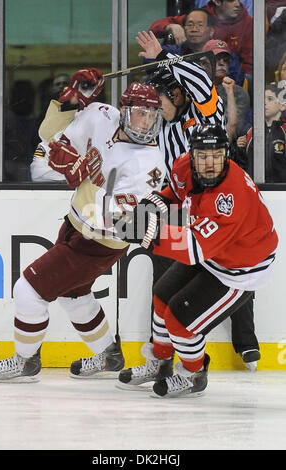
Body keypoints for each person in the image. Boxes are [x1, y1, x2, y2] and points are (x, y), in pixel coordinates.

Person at [0, 68, 166, 383]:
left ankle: (24, 361)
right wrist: (71, 100)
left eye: (151, 115)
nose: (146, 122)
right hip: (73, 223)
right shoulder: (102, 116)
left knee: (27, 290)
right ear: (124, 112)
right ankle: (109, 355)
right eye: (139, 113)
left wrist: (81, 170)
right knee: (74, 296)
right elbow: (48, 135)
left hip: (99, 241)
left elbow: (123, 221)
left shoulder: (149, 165)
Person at [115, 123, 278, 398]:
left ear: (226, 154)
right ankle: (160, 362)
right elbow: (173, 196)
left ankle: (193, 374)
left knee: (180, 320)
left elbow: (193, 250)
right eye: (202, 155)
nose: (210, 162)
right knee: (161, 297)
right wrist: (149, 206)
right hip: (214, 251)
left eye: (216, 154)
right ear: (192, 155)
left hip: (241, 268)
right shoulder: (183, 167)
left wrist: (146, 231)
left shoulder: (231, 196)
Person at [149, 0, 253, 78]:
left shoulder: (247, 23)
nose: (238, 4)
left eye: (200, 25)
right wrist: (170, 26)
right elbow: (154, 28)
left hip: (226, 76)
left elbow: (248, 65)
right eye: (231, 0)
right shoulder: (200, 16)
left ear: (211, 31)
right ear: (217, 1)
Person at [237, 83, 286, 183]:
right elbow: (242, 163)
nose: (264, 102)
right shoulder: (250, 131)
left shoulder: (284, 130)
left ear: (282, 105)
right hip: (255, 189)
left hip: (282, 190)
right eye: (262, 99)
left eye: (270, 99)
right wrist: (239, 149)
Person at [202, 39, 250, 139]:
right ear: (203, 64)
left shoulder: (239, 93)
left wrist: (230, 93)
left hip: (224, 148)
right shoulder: (193, 90)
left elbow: (233, 132)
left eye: (226, 60)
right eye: (216, 59)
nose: (222, 63)